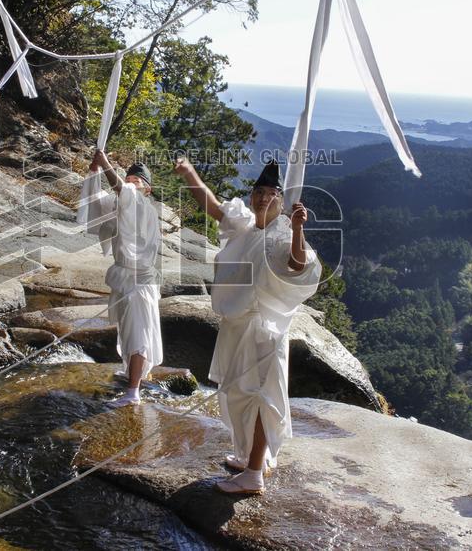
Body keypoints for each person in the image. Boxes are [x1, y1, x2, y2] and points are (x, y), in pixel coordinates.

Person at [174, 157, 321, 495]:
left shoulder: (283, 233)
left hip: (263, 330)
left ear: (282, 201)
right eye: (258, 191)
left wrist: (298, 228)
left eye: (271, 193)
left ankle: (254, 474)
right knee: (238, 395)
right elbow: (211, 204)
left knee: (258, 397)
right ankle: (254, 458)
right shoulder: (244, 224)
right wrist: (188, 171)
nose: (263, 197)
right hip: (237, 326)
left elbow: (298, 266)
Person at [89, 150, 163, 406]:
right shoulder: (125, 204)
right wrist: (94, 172)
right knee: (127, 329)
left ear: (148, 190)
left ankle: (133, 392)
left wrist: (105, 163)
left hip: (139, 280)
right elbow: (99, 205)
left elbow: (119, 188)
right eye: (129, 179)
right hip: (125, 277)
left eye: (137, 181)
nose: (131, 183)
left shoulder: (143, 206)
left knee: (138, 333)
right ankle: (132, 375)